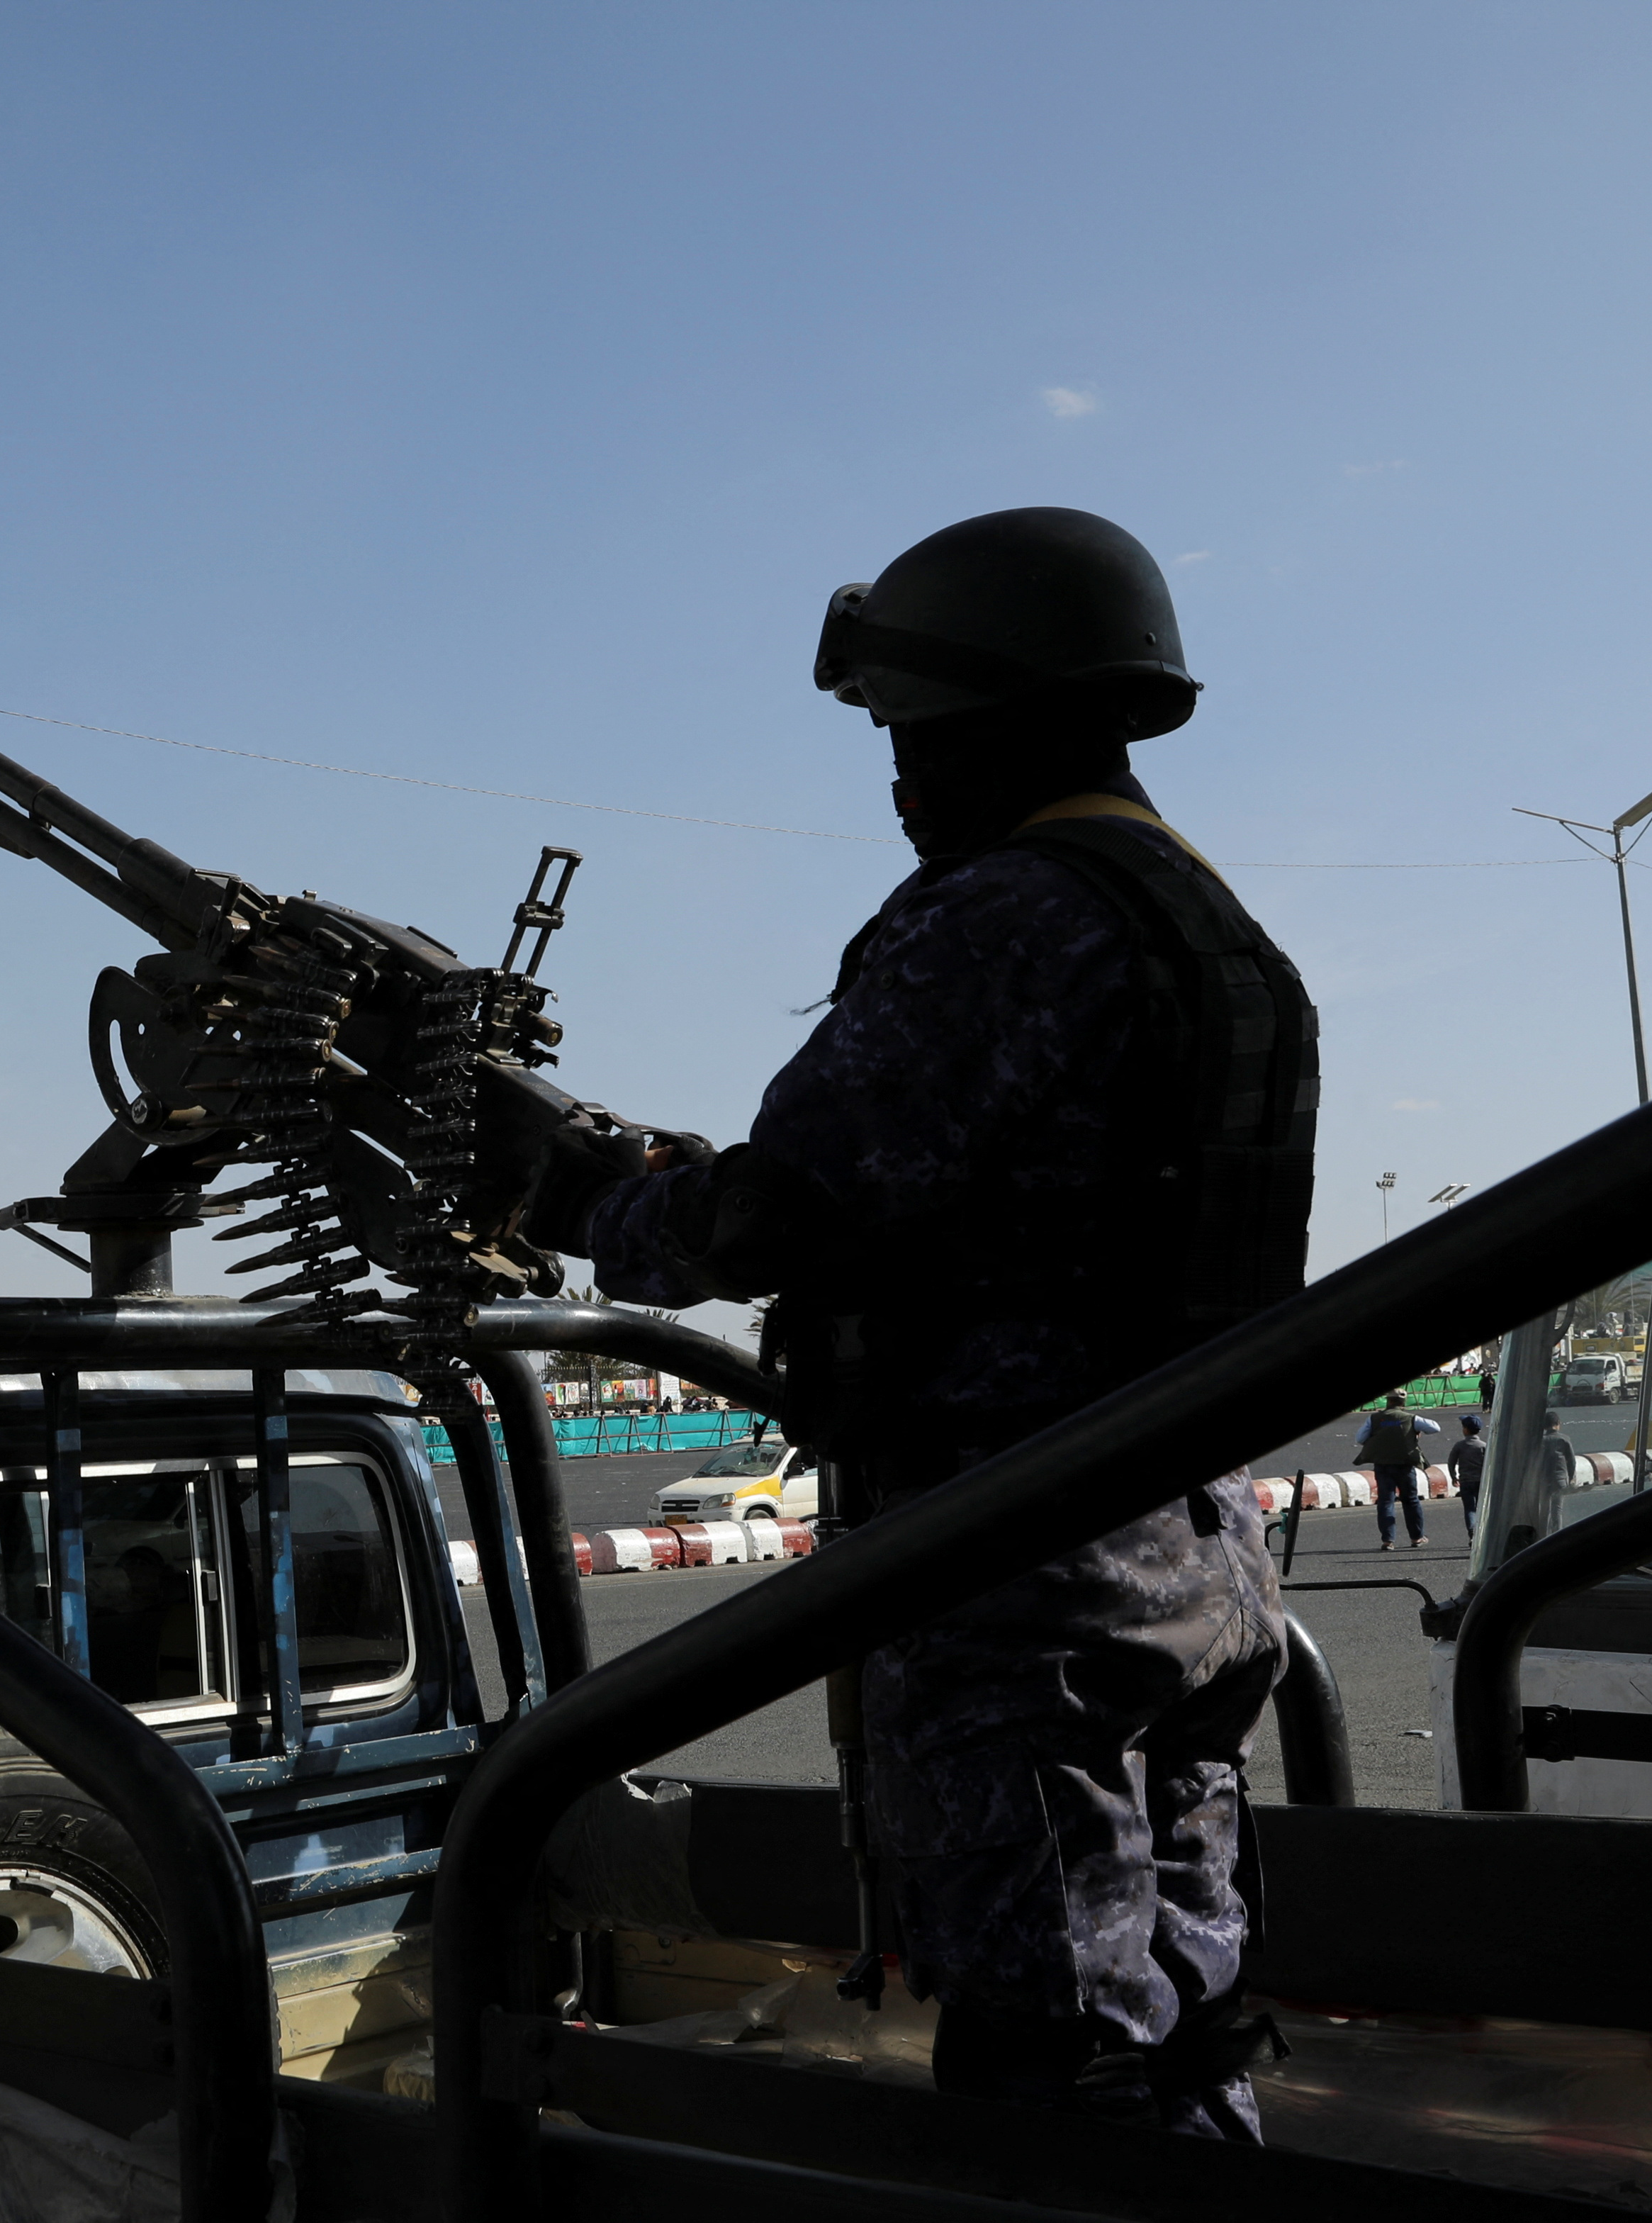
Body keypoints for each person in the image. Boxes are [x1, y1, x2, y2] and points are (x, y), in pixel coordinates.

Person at [516, 506, 1318, 2140]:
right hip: (1182, 1546)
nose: (895, 775)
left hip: (1022, 1571)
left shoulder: (1009, 916)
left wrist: (566, 1190)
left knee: (1055, 2037)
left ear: (1004, 720)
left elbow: (781, 1209)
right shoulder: (1205, 923)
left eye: (912, 732)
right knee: (1176, 2004)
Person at [1353, 1389, 1436, 1549]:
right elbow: (1435, 1428)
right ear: (1403, 1403)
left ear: (1388, 1401)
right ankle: (1416, 1538)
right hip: (1405, 1466)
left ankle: (1388, 1540)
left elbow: (1360, 1438)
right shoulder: (1411, 1418)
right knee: (1411, 1501)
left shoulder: (1375, 1418)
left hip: (1382, 1466)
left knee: (1385, 1501)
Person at [1448, 1414, 1489, 1539]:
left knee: (1470, 1509)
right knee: (1481, 1508)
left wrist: (1454, 1477)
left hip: (1466, 1482)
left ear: (1465, 1430)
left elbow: (1451, 1462)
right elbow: (1489, 1463)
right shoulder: (1483, 1446)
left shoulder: (1459, 1446)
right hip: (1481, 1482)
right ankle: (1482, 1534)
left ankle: (1472, 1531)